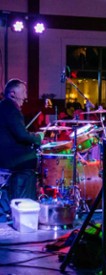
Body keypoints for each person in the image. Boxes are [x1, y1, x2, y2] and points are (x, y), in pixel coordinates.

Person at [0, 79, 44, 221]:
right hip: (12, 159)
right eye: (23, 92)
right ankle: (25, 212)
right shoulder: (11, 109)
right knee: (31, 160)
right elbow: (21, 135)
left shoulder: (3, 106)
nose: (25, 97)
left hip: (4, 156)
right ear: (12, 93)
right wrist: (38, 138)